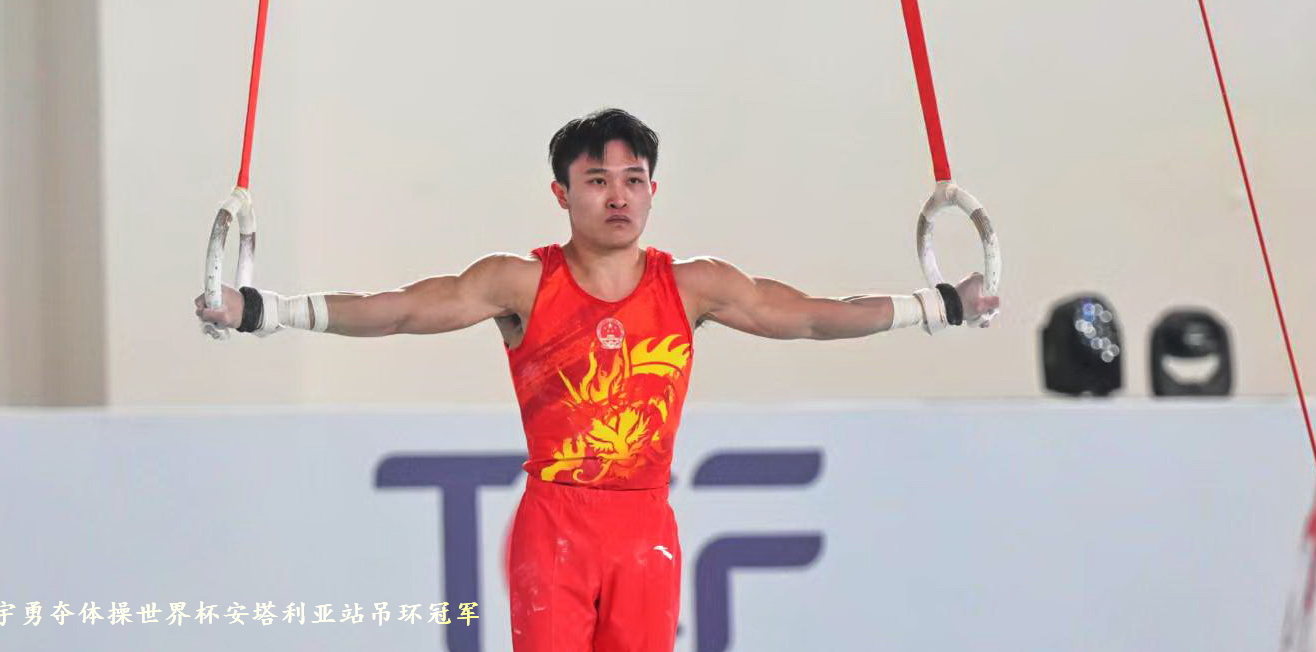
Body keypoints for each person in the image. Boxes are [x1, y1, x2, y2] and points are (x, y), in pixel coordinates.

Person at [195, 108, 998, 652]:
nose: (618, 196)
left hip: (645, 527)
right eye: (598, 180)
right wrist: (262, 309)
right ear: (562, 193)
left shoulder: (693, 287)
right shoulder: (521, 284)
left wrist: (941, 305)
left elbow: (815, 317)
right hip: (555, 525)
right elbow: (400, 310)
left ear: (653, 190)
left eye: (633, 179)